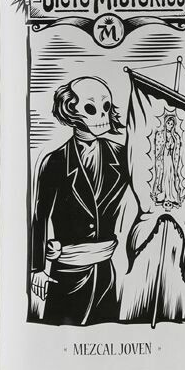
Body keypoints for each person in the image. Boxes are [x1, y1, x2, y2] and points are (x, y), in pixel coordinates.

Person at [29, 77, 129, 325]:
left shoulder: (122, 156)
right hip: (67, 273)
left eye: (106, 107)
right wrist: (37, 268)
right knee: (57, 334)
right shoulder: (55, 161)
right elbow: (40, 216)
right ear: (70, 110)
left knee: (107, 328)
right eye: (91, 108)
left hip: (105, 273)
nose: (103, 115)